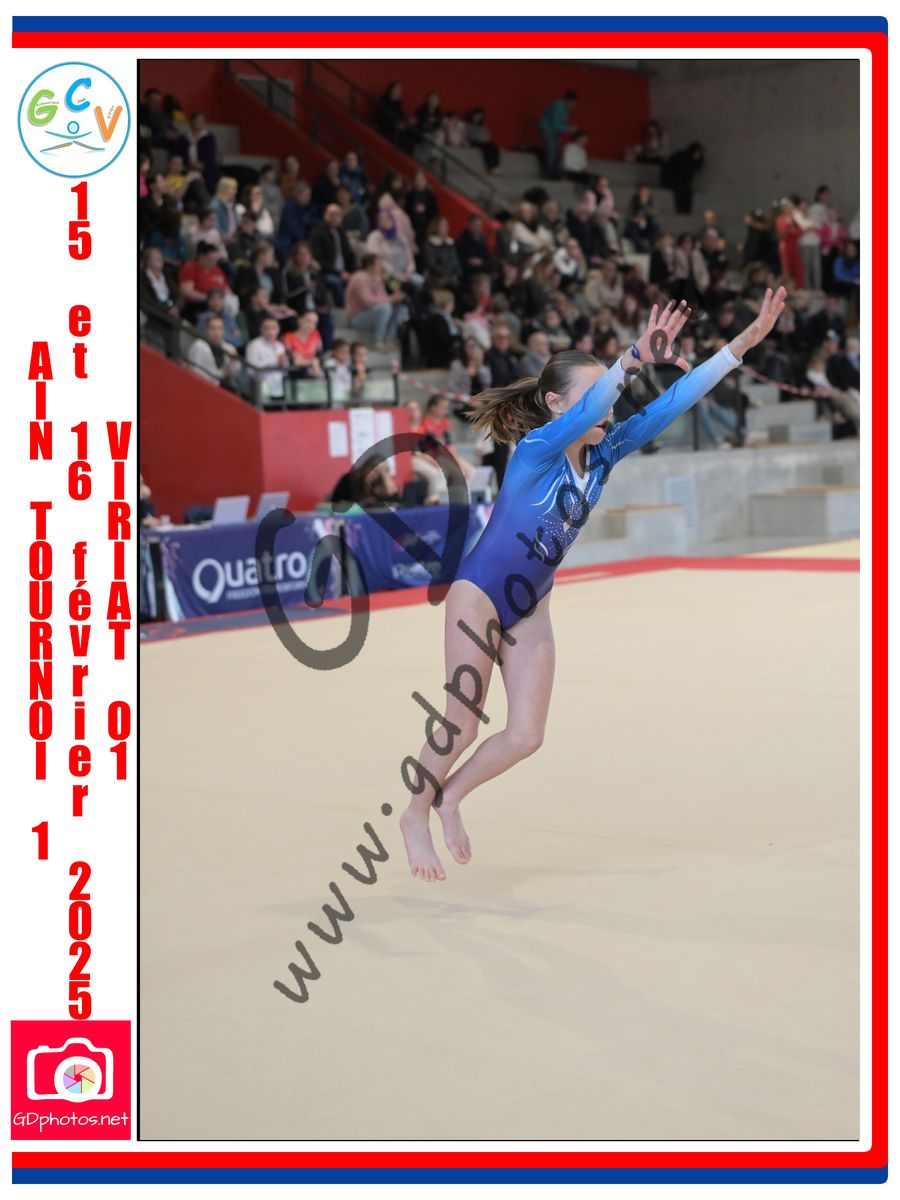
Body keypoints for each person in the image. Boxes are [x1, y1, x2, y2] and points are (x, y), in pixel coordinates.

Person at [397, 289, 787, 881]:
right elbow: (591, 409)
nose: (607, 408)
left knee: (526, 734)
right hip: (478, 597)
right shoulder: (535, 451)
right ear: (556, 405)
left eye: (608, 394)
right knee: (464, 723)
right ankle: (413, 815)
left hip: (532, 606)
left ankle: (450, 798)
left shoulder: (605, 454)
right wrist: (632, 358)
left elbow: (678, 399)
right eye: (593, 395)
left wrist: (741, 346)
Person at [345, 254, 409, 349]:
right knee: (385, 308)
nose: (381, 268)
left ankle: (388, 339)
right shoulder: (359, 278)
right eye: (378, 265)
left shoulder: (377, 278)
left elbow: (383, 297)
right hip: (357, 317)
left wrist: (395, 298)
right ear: (370, 266)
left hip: (373, 312)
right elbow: (367, 301)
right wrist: (391, 298)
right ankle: (378, 340)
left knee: (401, 308)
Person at [310, 204, 356, 306]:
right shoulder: (318, 233)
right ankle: (343, 309)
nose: (335, 217)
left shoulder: (341, 232)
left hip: (344, 271)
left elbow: (349, 254)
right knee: (336, 282)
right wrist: (339, 273)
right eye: (331, 214)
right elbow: (319, 259)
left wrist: (352, 272)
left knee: (358, 280)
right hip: (326, 272)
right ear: (325, 216)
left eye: (337, 215)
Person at [244, 316, 289, 405]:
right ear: (261, 329)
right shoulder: (254, 345)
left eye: (273, 328)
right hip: (261, 388)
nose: (270, 331)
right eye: (267, 328)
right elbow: (250, 370)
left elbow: (285, 371)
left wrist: (284, 363)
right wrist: (274, 360)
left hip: (278, 388)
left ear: (278, 329)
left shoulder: (280, 346)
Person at [187, 314, 240, 388]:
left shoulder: (229, 347)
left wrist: (233, 360)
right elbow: (195, 372)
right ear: (206, 330)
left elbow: (235, 372)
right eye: (212, 329)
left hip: (225, 388)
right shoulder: (199, 346)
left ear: (223, 330)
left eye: (219, 328)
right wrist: (221, 373)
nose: (216, 333)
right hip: (203, 387)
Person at [538, 88, 578, 180]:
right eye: (574, 103)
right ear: (569, 100)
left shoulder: (566, 109)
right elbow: (555, 124)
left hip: (553, 132)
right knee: (552, 150)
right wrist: (569, 129)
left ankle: (554, 173)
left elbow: (562, 122)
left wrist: (569, 126)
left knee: (557, 151)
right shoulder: (558, 105)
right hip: (546, 129)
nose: (574, 106)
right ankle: (549, 174)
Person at [660, 142, 704, 214]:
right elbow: (674, 172)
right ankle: (681, 210)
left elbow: (687, 178)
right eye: (697, 153)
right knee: (680, 189)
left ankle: (686, 211)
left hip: (680, 182)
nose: (697, 156)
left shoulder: (692, 162)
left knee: (688, 191)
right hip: (669, 179)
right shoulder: (682, 158)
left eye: (699, 154)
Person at [465, 107, 500, 173]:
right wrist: (479, 139)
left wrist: (485, 139)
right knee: (486, 149)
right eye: (477, 115)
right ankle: (490, 166)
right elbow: (468, 135)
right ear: (473, 115)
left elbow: (488, 134)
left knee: (494, 147)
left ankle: (496, 166)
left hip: (484, 142)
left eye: (480, 116)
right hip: (473, 141)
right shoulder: (468, 124)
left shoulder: (482, 125)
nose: (478, 117)